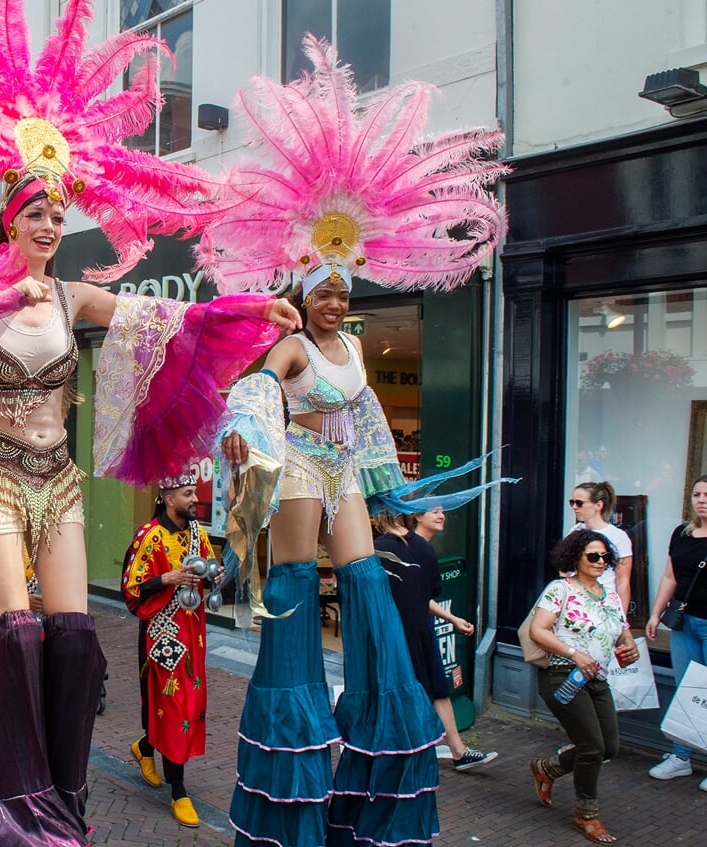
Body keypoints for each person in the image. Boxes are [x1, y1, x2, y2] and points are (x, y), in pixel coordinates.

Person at [0, 9, 300, 845]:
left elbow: (169, 319)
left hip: (59, 482)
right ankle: (8, 810)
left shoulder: (75, 299)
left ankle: (60, 800)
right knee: (15, 631)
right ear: (9, 216)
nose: (48, 227)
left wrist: (252, 309)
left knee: (71, 638)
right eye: (35, 214)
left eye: (58, 219)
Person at [203, 37, 508, 847]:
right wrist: (246, 433)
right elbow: (255, 387)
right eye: (323, 291)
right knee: (298, 602)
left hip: (343, 475)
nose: (335, 302)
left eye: (343, 290)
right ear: (303, 292)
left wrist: (378, 476)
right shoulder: (297, 345)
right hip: (298, 469)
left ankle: (380, 751)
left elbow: (366, 417)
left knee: (369, 592)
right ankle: (292, 773)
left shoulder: (351, 349)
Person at [527, 530, 639, 845]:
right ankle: (586, 814)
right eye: (593, 555)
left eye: (605, 557)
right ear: (576, 556)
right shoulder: (560, 589)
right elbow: (538, 630)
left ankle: (548, 769)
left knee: (609, 747)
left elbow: (622, 633)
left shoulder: (611, 596)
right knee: (592, 746)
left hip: (597, 678)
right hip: (562, 675)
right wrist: (574, 652)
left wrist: (630, 646)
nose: (600, 561)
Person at [121, 475, 217, 827]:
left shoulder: (197, 532)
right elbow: (131, 588)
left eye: (194, 493)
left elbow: (206, 567)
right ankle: (179, 790)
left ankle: (146, 747)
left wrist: (213, 575)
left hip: (193, 633)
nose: (195, 499)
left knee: (189, 703)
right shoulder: (150, 535)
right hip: (163, 635)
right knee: (174, 705)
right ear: (167, 497)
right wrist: (167, 579)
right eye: (188, 494)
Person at [373, 509, 498, 771]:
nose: (442, 515)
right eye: (435, 510)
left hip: (391, 633)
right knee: (437, 690)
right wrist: (452, 619)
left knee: (401, 691)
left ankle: (406, 754)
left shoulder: (374, 550)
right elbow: (427, 594)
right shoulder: (423, 548)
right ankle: (458, 751)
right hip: (422, 631)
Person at [645, 473, 707, 787]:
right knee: (687, 689)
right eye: (697, 494)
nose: (702, 500)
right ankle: (681, 756)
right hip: (684, 622)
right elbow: (671, 577)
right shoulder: (682, 534)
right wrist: (656, 614)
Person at [568, 481, 634, 609]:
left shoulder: (618, 536)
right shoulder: (574, 532)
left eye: (579, 503)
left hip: (604, 602)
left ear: (598, 505)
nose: (574, 507)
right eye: (572, 502)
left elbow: (623, 582)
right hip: (574, 600)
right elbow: (565, 570)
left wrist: (622, 619)